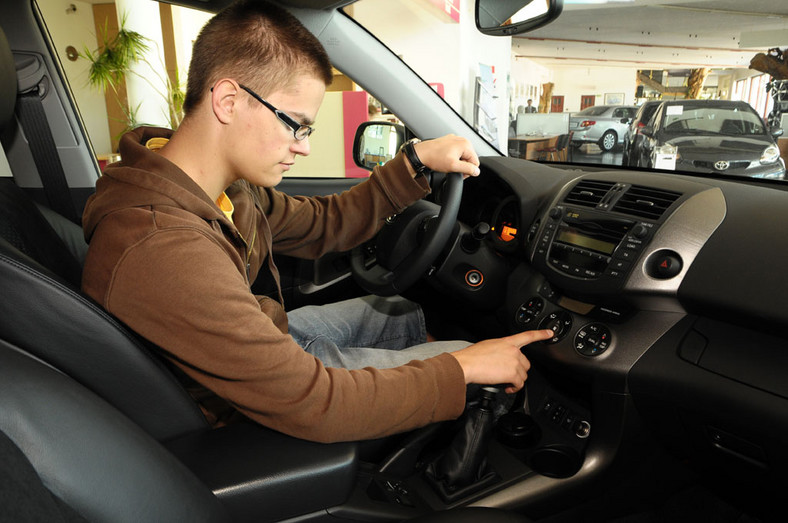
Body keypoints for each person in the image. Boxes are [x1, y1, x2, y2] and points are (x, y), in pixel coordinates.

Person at [81, 0, 552, 444]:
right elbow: (315, 401)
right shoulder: (163, 247)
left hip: (264, 347)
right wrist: (462, 368)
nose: (303, 146)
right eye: (295, 124)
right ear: (227, 100)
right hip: (239, 409)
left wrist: (415, 162)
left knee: (399, 313)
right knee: (484, 374)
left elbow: (324, 223)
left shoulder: (219, 189)